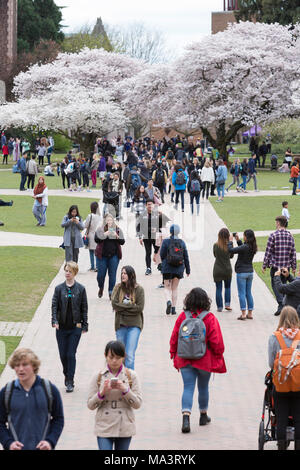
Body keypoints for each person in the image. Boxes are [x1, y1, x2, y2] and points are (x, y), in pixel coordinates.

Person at [169, 287, 226, 433]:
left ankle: (186, 417)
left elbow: (175, 336)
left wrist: (173, 352)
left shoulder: (183, 317)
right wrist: (219, 354)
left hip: (185, 358)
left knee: (187, 387)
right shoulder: (209, 318)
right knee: (203, 387)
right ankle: (203, 415)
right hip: (203, 358)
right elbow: (216, 341)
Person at [0, 348, 64, 450]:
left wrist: (50, 441)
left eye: (25, 364)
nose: (20, 369)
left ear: (34, 366)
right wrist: (8, 443)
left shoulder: (49, 390)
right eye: (17, 365)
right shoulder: (7, 392)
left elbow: (58, 419)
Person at [87, 340, 142, 450]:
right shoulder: (98, 376)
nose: (114, 361)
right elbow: (90, 405)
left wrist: (125, 390)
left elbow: (137, 404)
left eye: (118, 357)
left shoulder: (131, 376)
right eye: (111, 357)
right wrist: (102, 393)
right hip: (104, 425)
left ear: (123, 357)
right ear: (105, 356)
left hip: (124, 424)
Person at [51, 261, 88, 393]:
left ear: (74, 273)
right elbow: (54, 306)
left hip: (75, 327)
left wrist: (85, 325)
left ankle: (70, 381)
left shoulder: (81, 289)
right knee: (63, 355)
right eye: (66, 270)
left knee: (70, 354)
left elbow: (84, 308)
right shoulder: (59, 289)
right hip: (61, 328)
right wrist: (54, 320)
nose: (67, 273)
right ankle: (66, 374)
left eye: (70, 271)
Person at [268, 306, 300, 450]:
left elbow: (271, 363)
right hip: (298, 384)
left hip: (281, 384)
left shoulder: (275, 337)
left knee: (281, 417)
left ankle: (281, 445)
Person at [111, 267, 145, 370]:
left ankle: (130, 380)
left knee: (129, 355)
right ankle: (122, 377)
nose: (123, 275)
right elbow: (114, 304)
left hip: (134, 325)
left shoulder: (139, 289)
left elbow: (139, 308)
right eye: (122, 273)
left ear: (131, 275)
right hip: (121, 324)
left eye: (125, 273)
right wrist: (131, 306)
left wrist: (122, 308)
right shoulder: (118, 288)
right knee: (120, 354)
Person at [263, 216, 297, 316]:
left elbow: (268, 252)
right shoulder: (290, 235)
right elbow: (293, 252)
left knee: (275, 286)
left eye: (276, 222)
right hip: (286, 267)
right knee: (283, 285)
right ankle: (282, 305)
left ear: (278, 223)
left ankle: (281, 304)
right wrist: (294, 266)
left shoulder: (273, 235)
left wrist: (264, 265)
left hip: (275, 267)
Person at [160, 224, 190, 315]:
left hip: (167, 268)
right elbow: (186, 257)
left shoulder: (165, 241)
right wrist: (188, 270)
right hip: (178, 268)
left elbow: (162, 254)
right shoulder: (182, 242)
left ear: (170, 231)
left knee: (167, 286)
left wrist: (164, 263)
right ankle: (173, 308)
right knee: (175, 288)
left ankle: (168, 301)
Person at [228, 230, 257, 320]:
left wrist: (230, 241)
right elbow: (242, 248)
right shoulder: (253, 246)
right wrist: (238, 240)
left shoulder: (245, 247)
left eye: (244, 235)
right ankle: (250, 313)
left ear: (246, 237)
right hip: (250, 272)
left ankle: (243, 314)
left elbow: (231, 250)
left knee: (241, 293)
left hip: (241, 272)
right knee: (248, 293)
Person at [94, 213, 125, 299]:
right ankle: (101, 287)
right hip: (102, 256)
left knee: (112, 275)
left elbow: (122, 242)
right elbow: (96, 239)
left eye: (110, 220)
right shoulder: (100, 229)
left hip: (114, 256)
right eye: (107, 220)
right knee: (100, 275)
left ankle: (111, 292)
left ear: (113, 221)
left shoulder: (117, 229)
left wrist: (117, 236)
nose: (109, 222)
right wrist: (105, 234)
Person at [136, 199, 169, 275]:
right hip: (146, 237)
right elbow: (138, 227)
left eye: (151, 204)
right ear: (146, 205)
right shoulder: (142, 215)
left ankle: (160, 267)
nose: (150, 206)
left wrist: (162, 215)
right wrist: (140, 237)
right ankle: (148, 268)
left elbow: (165, 223)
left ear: (154, 205)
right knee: (148, 253)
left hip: (156, 237)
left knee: (157, 252)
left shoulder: (157, 214)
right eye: (148, 204)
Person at [213, 228, 233, 312]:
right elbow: (231, 256)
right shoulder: (229, 245)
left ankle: (219, 307)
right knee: (227, 287)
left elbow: (215, 255)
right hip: (227, 269)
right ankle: (227, 304)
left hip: (217, 269)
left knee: (218, 288)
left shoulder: (216, 245)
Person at [83, 201, 101, 272]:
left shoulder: (90, 216)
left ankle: (92, 266)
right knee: (97, 251)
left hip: (91, 234)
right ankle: (97, 266)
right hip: (98, 235)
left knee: (91, 251)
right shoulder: (99, 217)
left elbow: (85, 225)